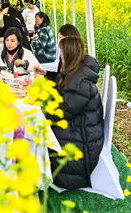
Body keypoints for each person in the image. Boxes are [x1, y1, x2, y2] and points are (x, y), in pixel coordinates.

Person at [46, 36, 103, 190]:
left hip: (82, 142)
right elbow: (62, 81)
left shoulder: (80, 81)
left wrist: (41, 114)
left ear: (69, 53)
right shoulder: (78, 72)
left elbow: (64, 112)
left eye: (62, 51)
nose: (60, 55)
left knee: (39, 131)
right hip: (83, 129)